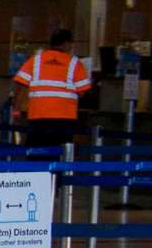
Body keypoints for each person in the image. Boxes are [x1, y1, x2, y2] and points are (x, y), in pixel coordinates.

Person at [13, 27, 92, 155]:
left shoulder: (35, 60)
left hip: (38, 117)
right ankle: (56, 175)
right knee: (59, 155)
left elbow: (21, 85)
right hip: (64, 119)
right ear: (67, 43)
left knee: (36, 155)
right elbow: (82, 91)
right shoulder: (74, 63)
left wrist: (16, 109)